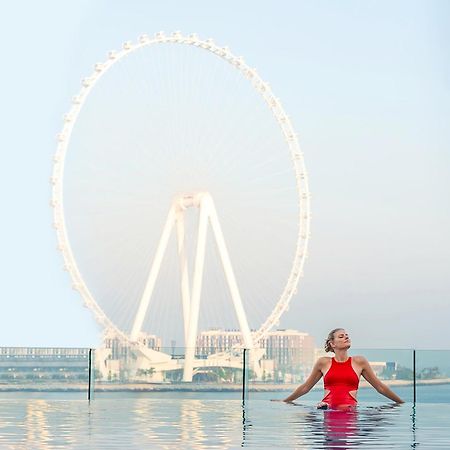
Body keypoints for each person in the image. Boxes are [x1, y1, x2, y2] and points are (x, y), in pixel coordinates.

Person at [281, 328, 404, 409]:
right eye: (341, 336)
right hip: (326, 408)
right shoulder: (323, 362)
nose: (346, 337)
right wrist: (285, 401)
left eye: (347, 335)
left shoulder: (359, 362)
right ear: (332, 344)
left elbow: (380, 387)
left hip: (350, 410)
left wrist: (400, 402)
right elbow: (305, 387)